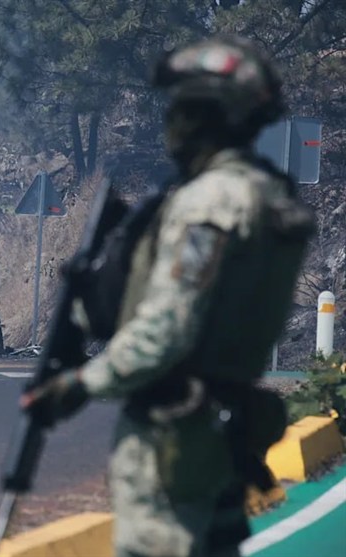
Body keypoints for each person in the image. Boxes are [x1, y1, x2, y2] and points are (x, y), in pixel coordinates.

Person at [22, 36, 315, 557]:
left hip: (175, 437)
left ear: (207, 116)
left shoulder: (211, 204)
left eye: (182, 108)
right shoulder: (271, 195)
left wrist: (80, 383)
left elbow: (168, 329)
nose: (170, 122)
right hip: (227, 429)